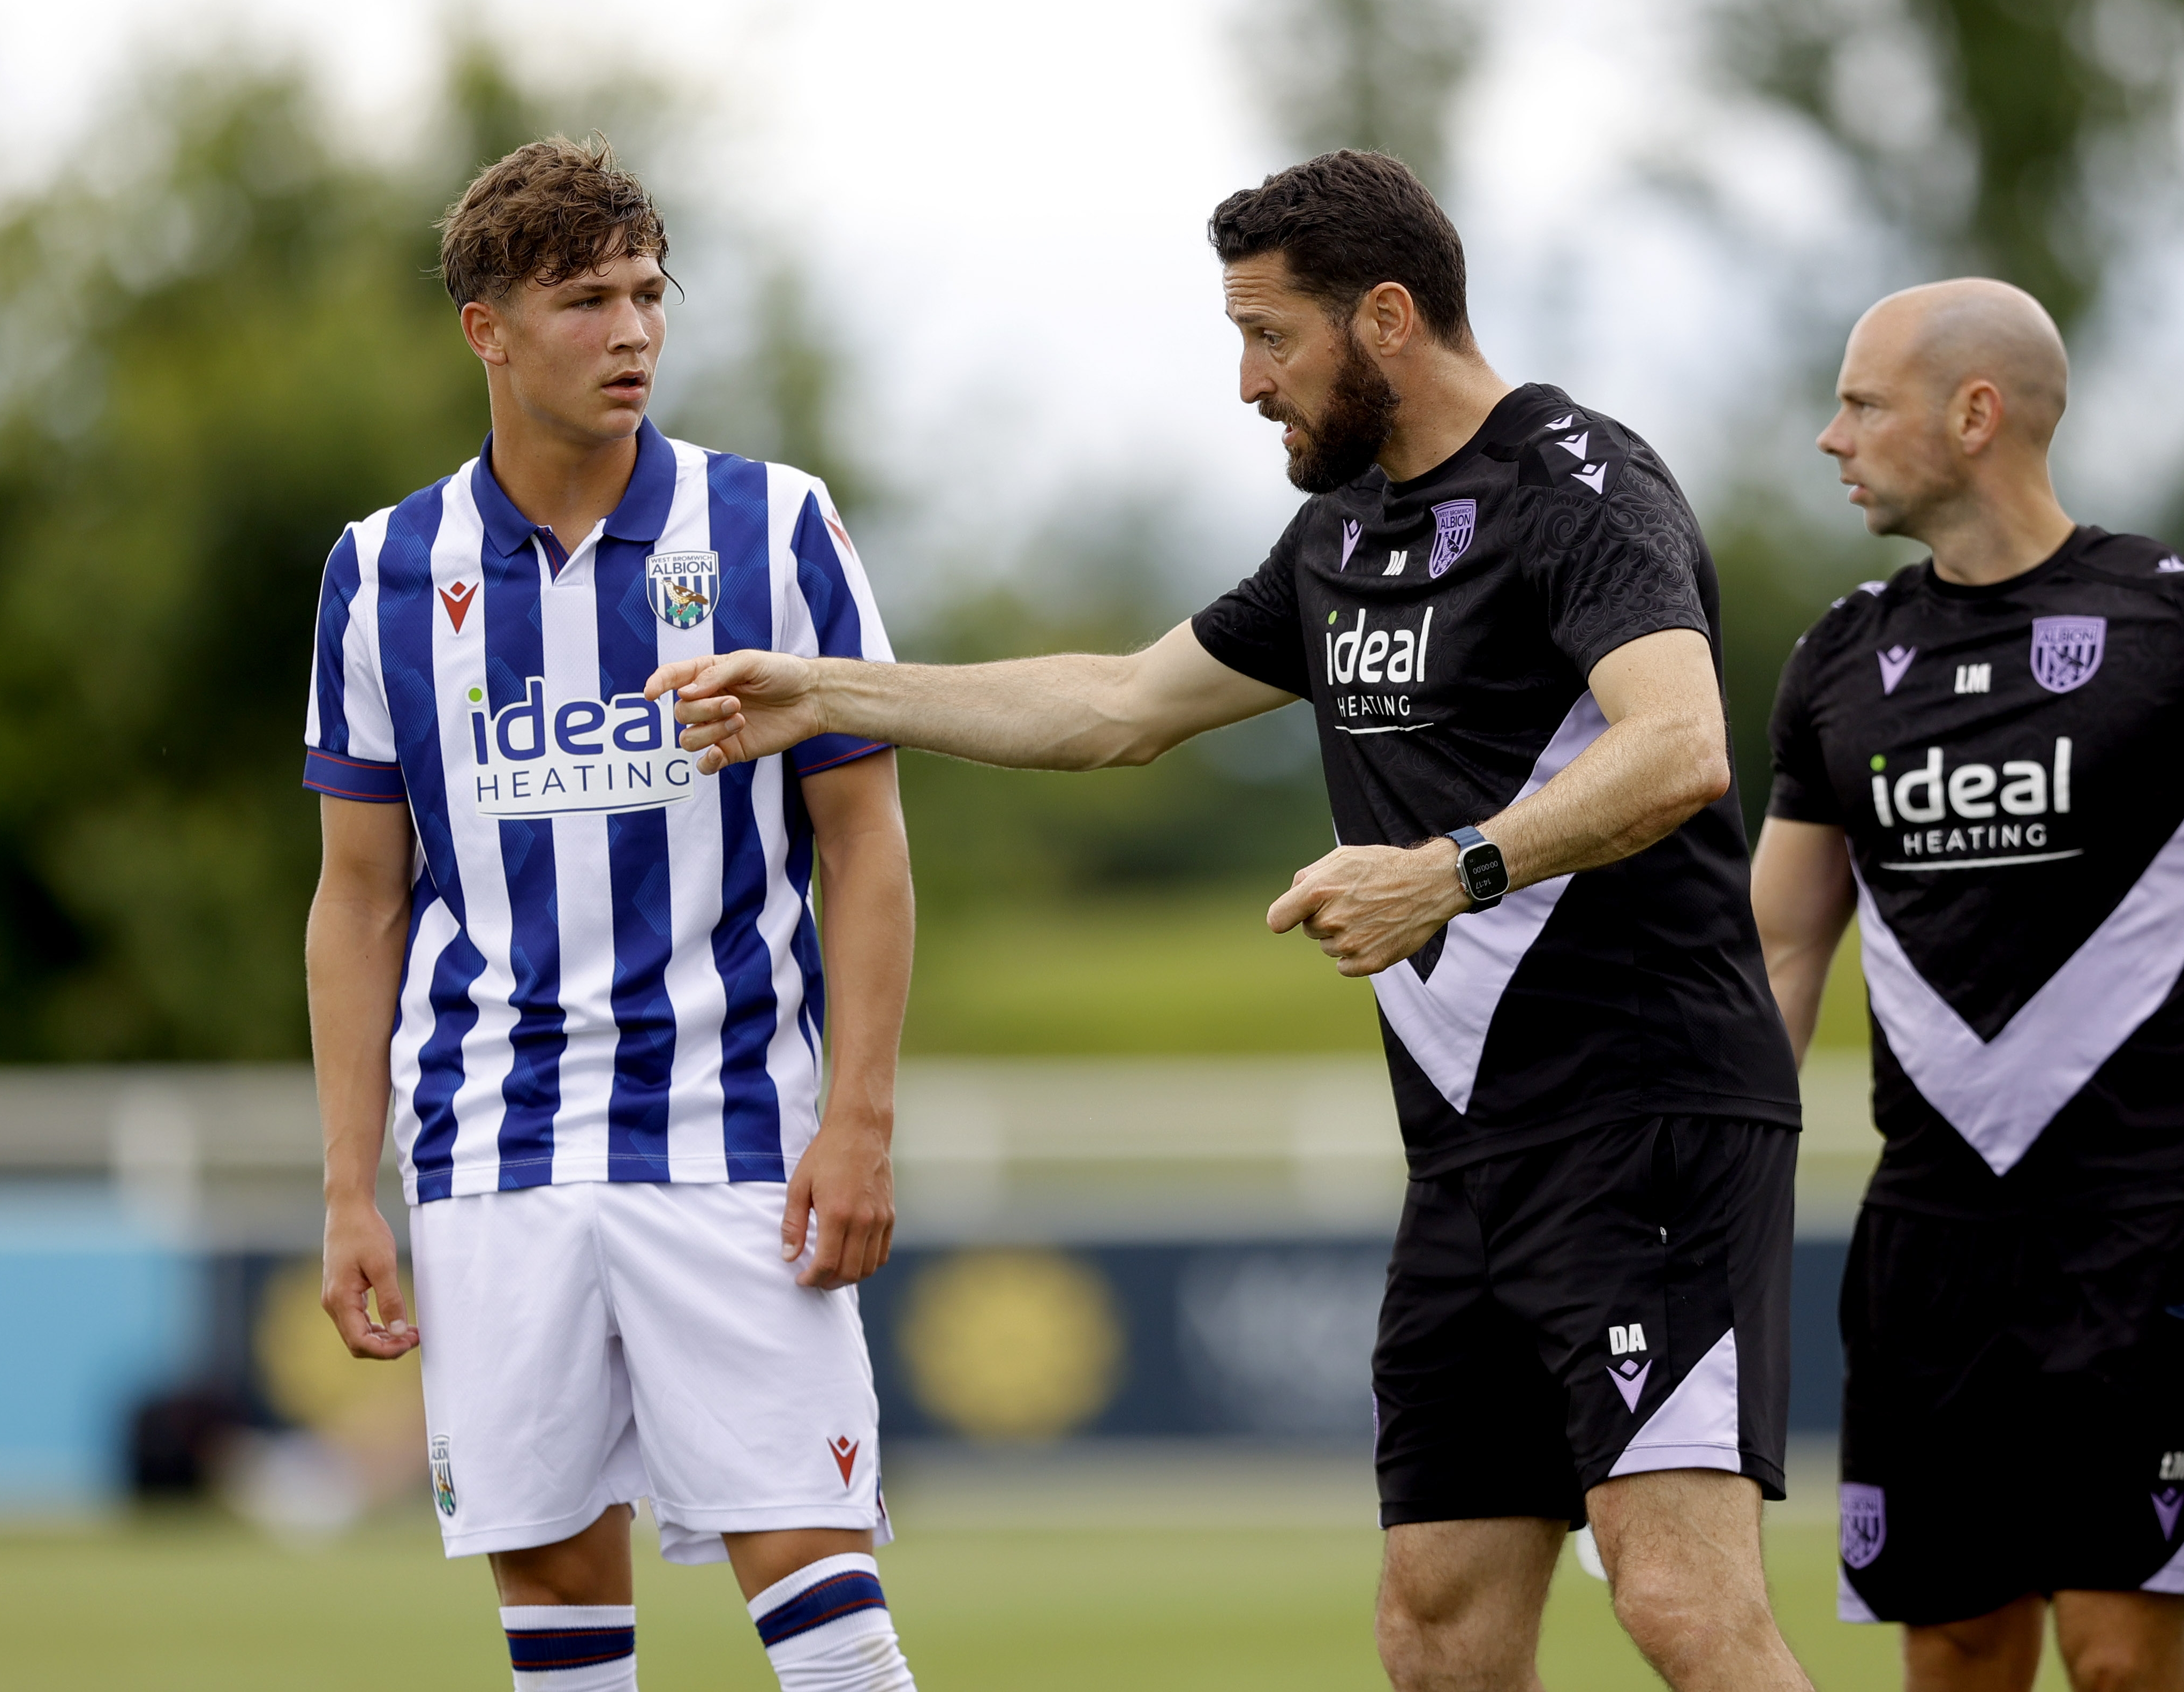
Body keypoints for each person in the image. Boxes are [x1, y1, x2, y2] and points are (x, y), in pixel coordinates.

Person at [646, 150, 1816, 1692]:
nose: (1247, 382)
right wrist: (827, 692)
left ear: (1385, 317)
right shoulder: (1342, 539)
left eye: (1270, 335)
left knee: (1679, 1605)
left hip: (1643, 1117)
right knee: (1440, 1625)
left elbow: (1679, 746)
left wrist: (1446, 868)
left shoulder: (1576, 485)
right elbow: (1119, 702)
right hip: (1470, 1152)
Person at [302, 136, 920, 1692]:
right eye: (587, 300)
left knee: (831, 1618)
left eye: (650, 293)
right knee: (564, 1642)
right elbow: (360, 897)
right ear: (486, 330)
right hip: (490, 1144)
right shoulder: (380, 570)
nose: (633, 330)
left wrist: (858, 1117)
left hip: (730, 1137)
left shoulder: (774, 528)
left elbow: (864, 845)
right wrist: (345, 1186)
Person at [1749, 279, 2184, 1692]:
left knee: (2117, 1655)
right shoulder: (1835, 661)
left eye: (1860, 402)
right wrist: (1712, 1181)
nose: (1831, 436)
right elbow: (1779, 946)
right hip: (1922, 1246)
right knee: (1958, 1645)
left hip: (2138, 1239)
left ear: (1972, 413)